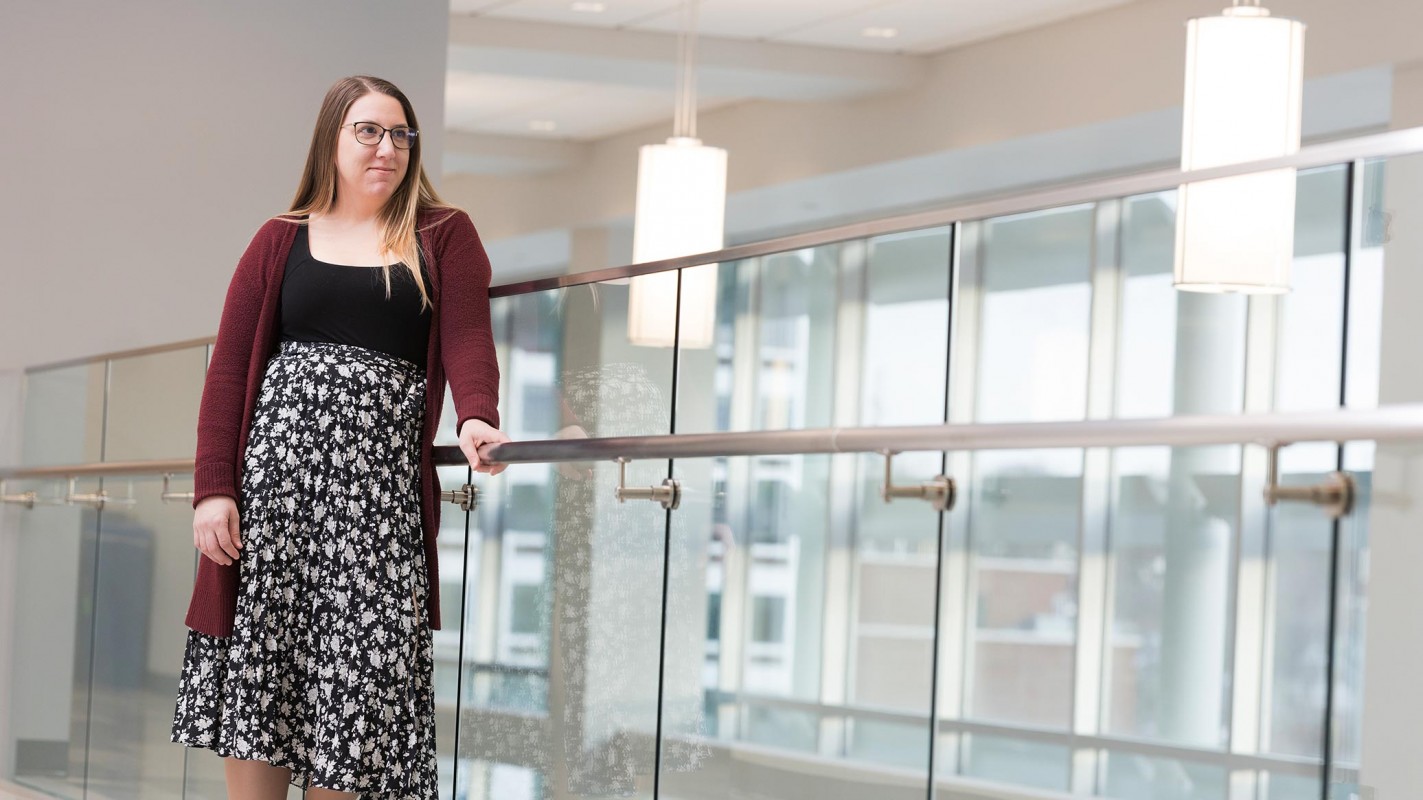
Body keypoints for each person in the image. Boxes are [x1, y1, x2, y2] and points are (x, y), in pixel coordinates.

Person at [170, 74, 509, 800]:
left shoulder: (442, 233)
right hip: (275, 511)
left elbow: (468, 338)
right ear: (332, 139)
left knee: (357, 708)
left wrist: (476, 412)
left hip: (376, 521)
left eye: (400, 134)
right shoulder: (279, 239)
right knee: (262, 696)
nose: (386, 148)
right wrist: (213, 492)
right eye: (368, 131)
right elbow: (228, 374)